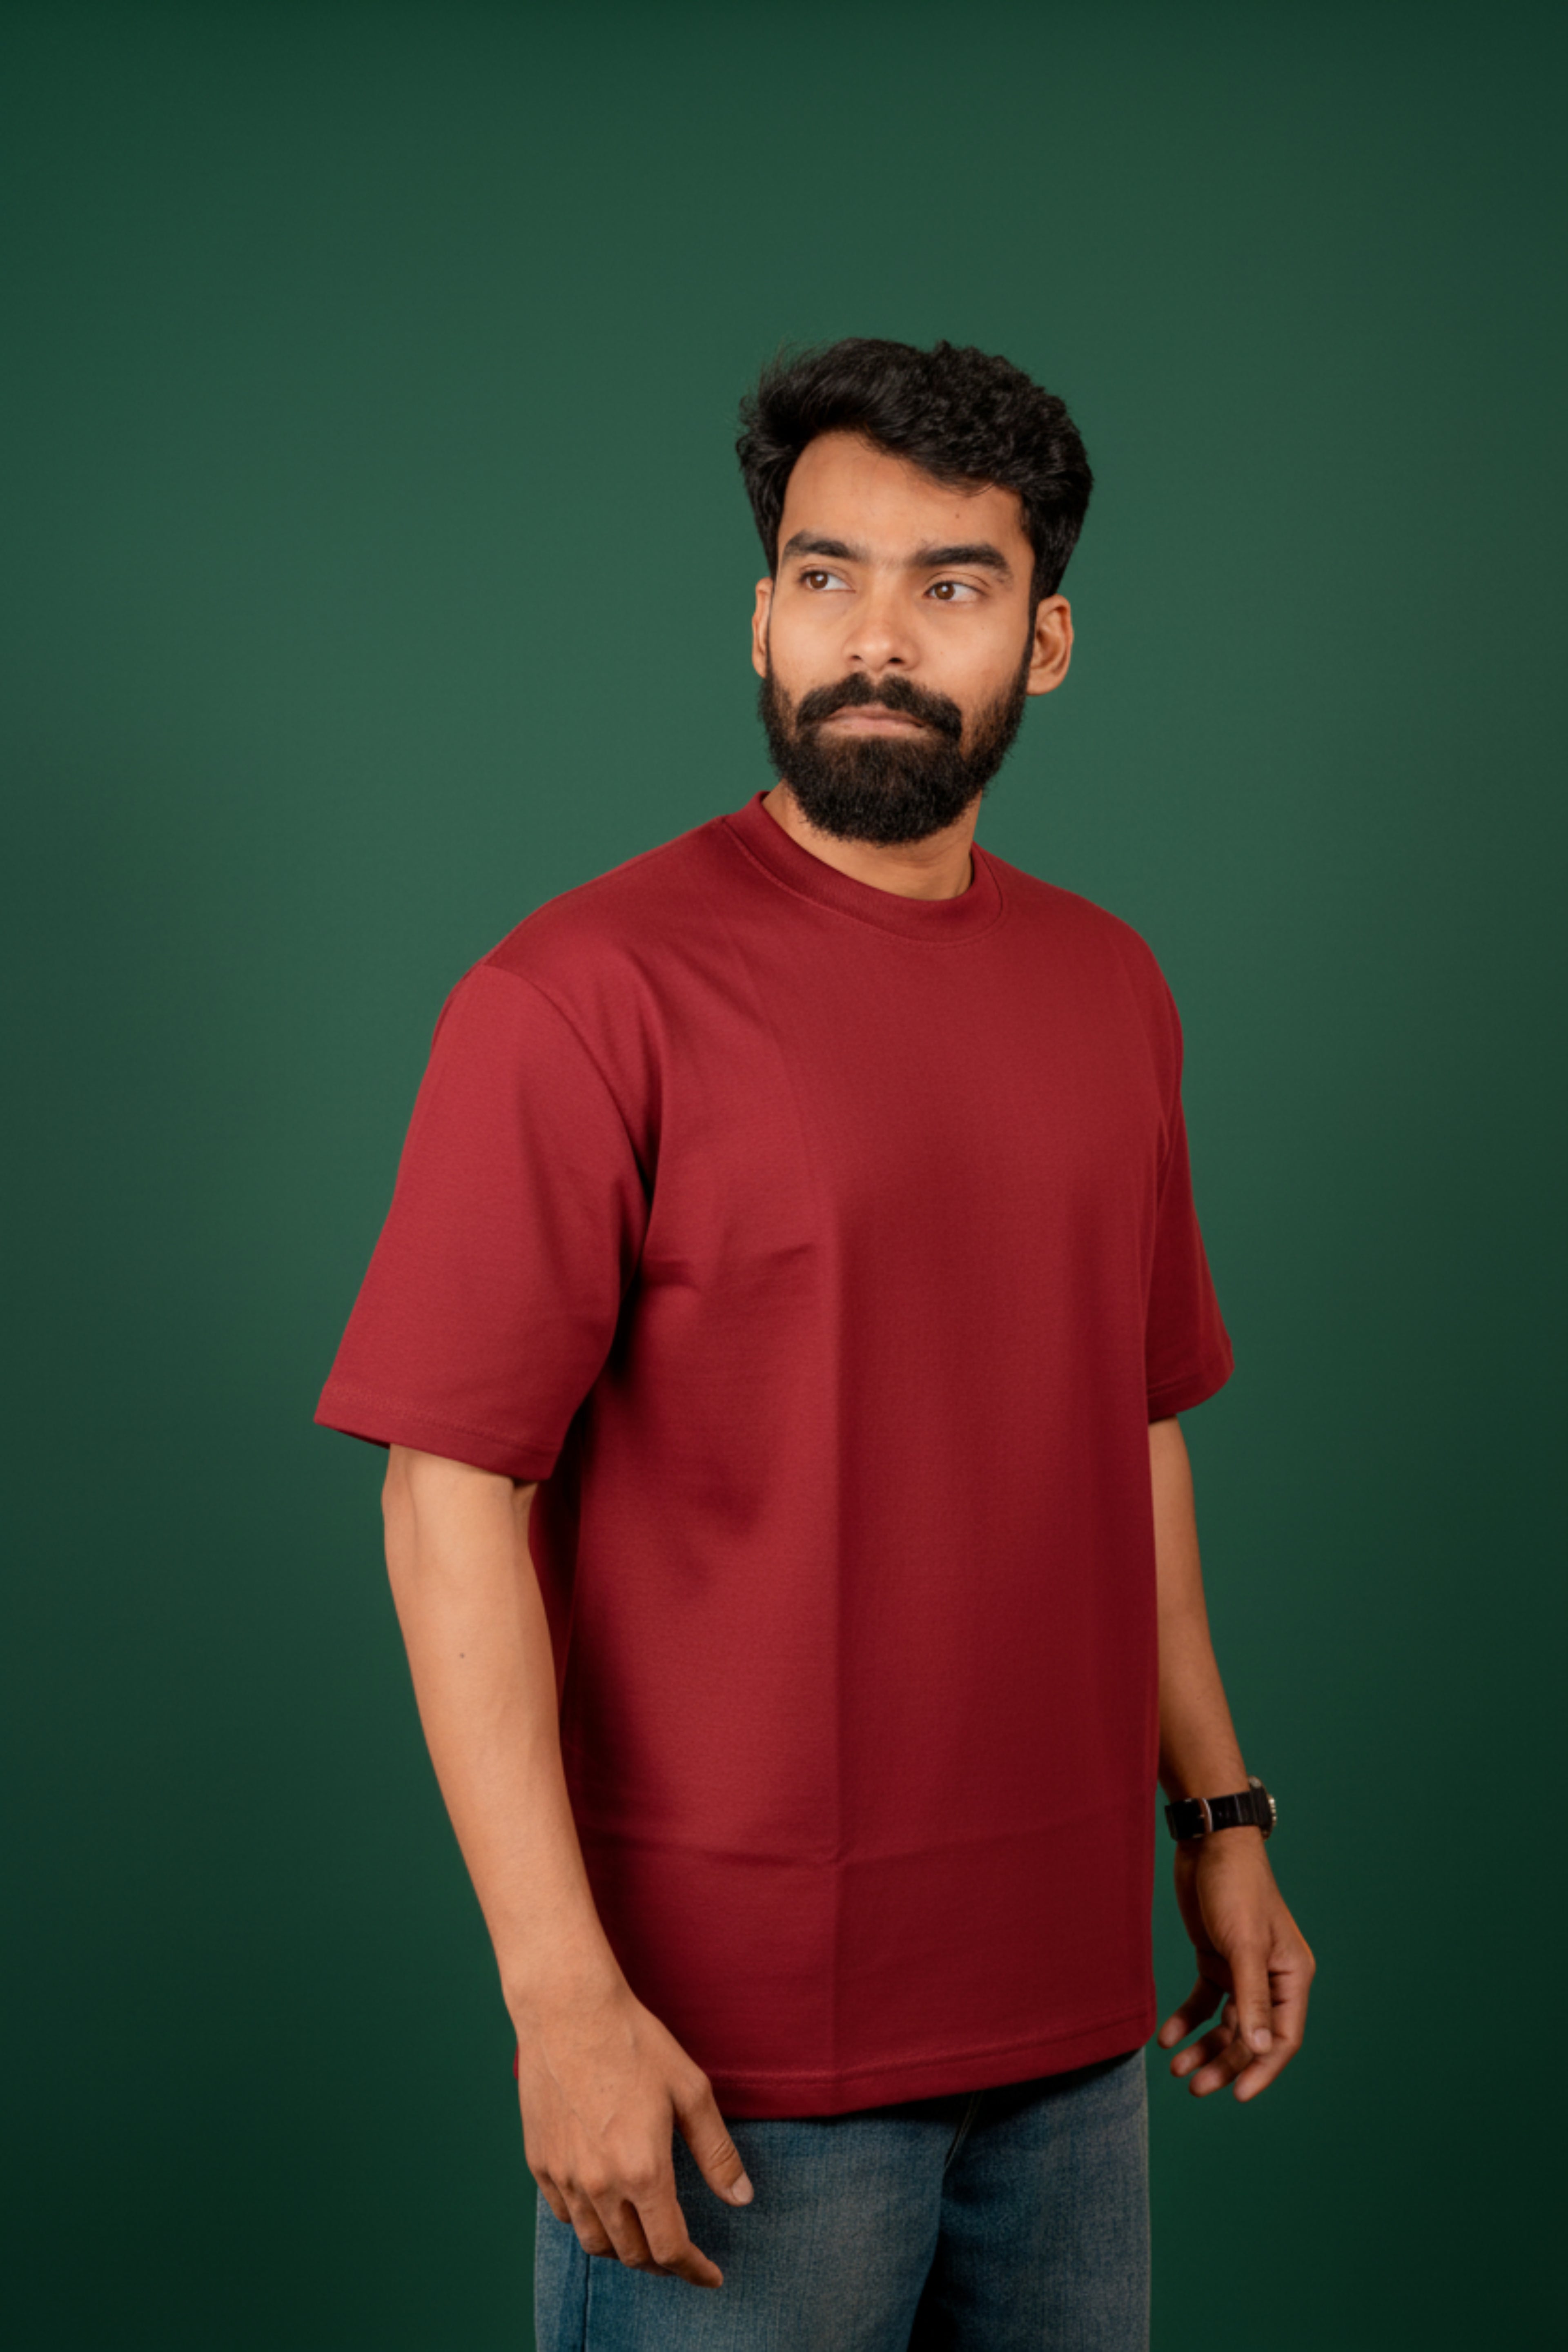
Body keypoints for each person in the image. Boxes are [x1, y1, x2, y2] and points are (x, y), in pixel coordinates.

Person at [314, 336, 1314, 2350]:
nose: (875, 636)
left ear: (1042, 643)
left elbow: (1126, 1434)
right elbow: (452, 1503)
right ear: (759, 613)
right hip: (731, 2068)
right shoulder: (578, 996)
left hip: (1070, 2041)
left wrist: (1219, 1822)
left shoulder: (1111, 988)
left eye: (949, 586)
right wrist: (559, 1993)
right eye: (825, 574)